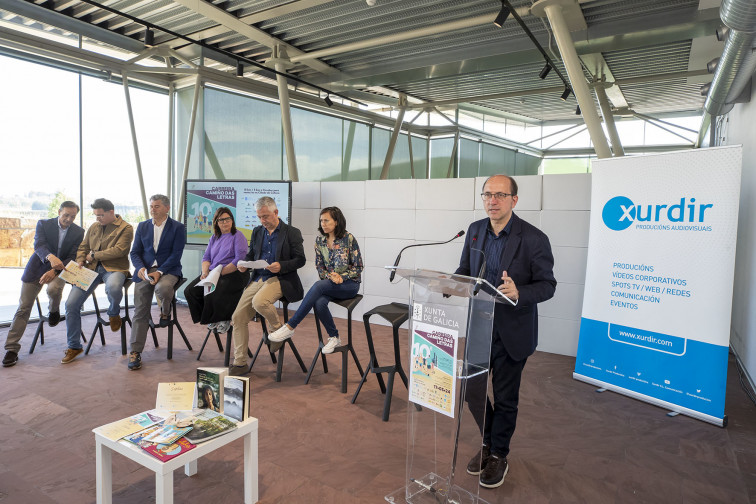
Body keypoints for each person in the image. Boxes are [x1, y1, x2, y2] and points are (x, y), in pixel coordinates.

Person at [455, 174, 556, 489]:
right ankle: (487, 442)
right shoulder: (474, 231)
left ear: (514, 200)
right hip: (479, 326)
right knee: (472, 392)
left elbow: (547, 285)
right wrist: (450, 282)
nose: (492, 201)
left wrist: (520, 293)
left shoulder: (534, 238)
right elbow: (464, 271)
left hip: (513, 330)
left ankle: (499, 453)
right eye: (487, 194)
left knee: (505, 396)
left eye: (500, 195)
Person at [268, 207, 363, 354]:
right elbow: (320, 268)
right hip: (330, 284)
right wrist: (331, 277)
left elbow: (358, 267)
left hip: (350, 284)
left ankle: (290, 326)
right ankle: (334, 337)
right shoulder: (320, 241)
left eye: (326, 220)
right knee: (319, 303)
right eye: (321, 221)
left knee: (319, 286)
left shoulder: (348, 238)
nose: (323, 223)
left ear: (336, 221)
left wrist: (341, 277)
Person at [228, 197, 306, 376]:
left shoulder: (292, 232)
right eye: (259, 217)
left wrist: (282, 266)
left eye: (266, 216)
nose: (263, 221)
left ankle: (277, 330)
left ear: (276, 213)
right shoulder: (257, 232)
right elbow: (251, 254)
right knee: (237, 317)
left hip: (280, 278)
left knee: (259, 302)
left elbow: (300, 260)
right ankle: (240, 363)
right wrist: (244, 264)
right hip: (258, 278)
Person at [2, 201, 85, 367]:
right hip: (37, 268)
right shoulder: (43, 224)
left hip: (61, 270)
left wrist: (55, 270)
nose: (68, 219)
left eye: (73, 216)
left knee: (54, 288)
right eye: (66, 215)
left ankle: (54, 311)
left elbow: (73, 255)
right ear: (59, 211)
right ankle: (11, 349)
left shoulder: (78, 231)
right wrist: (50, 257)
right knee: (24, 307)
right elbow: (39, 245)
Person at [62, 198, 133, 364]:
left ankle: (113, 313)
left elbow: (119, 250)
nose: (97, 219)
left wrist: (94, 255)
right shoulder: (94, 227)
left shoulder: (126, 228)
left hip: (114, 268)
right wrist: (80, 259)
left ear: (111, 212)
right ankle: (74, 346)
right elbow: (83, 247)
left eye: (100, 215)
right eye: (95, 215)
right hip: (90, 269)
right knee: (71, 304)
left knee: (115, 287)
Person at [127, 194, 186, 371]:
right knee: (140, 310)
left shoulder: (178, 227)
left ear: (167, 208)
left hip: (168, 269)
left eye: (157, 206)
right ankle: (135, 352)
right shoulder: (143, 226)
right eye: (151, 206)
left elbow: (176, 254)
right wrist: (140, 268)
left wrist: (160, 272)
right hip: (145, 271)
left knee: (163, 287)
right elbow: (134, 252)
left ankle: (165, 312)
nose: (153, 209)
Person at [184, 207, 248, 331]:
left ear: (232, 220)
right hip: (214, 272)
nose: (225, 222)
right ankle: (209, 317)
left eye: (227, 219)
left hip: (233, 273)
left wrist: (218, 273)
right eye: (221, 220)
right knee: (190, 291)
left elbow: (239, 260)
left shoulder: (237, 235)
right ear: (216, 223)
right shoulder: (214, 237)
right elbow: (206, 257)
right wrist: (205, 272)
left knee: (212, 290)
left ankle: (224, 318)